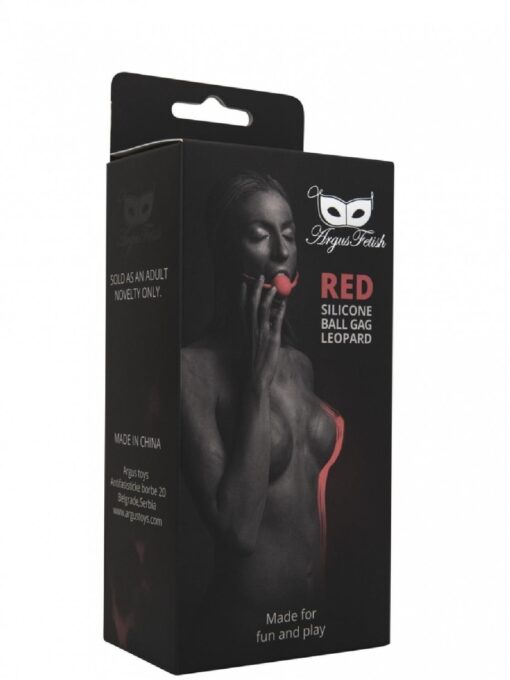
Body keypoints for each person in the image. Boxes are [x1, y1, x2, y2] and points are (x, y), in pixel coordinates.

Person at [181, 171, 344, 660]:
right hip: (234, 642)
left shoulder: (302, 366)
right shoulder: (190, 370)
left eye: (289, 234)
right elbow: (238, 530)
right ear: (224, 251)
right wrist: (255, 382)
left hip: (310, 633)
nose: (281, 252)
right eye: (259, 235)